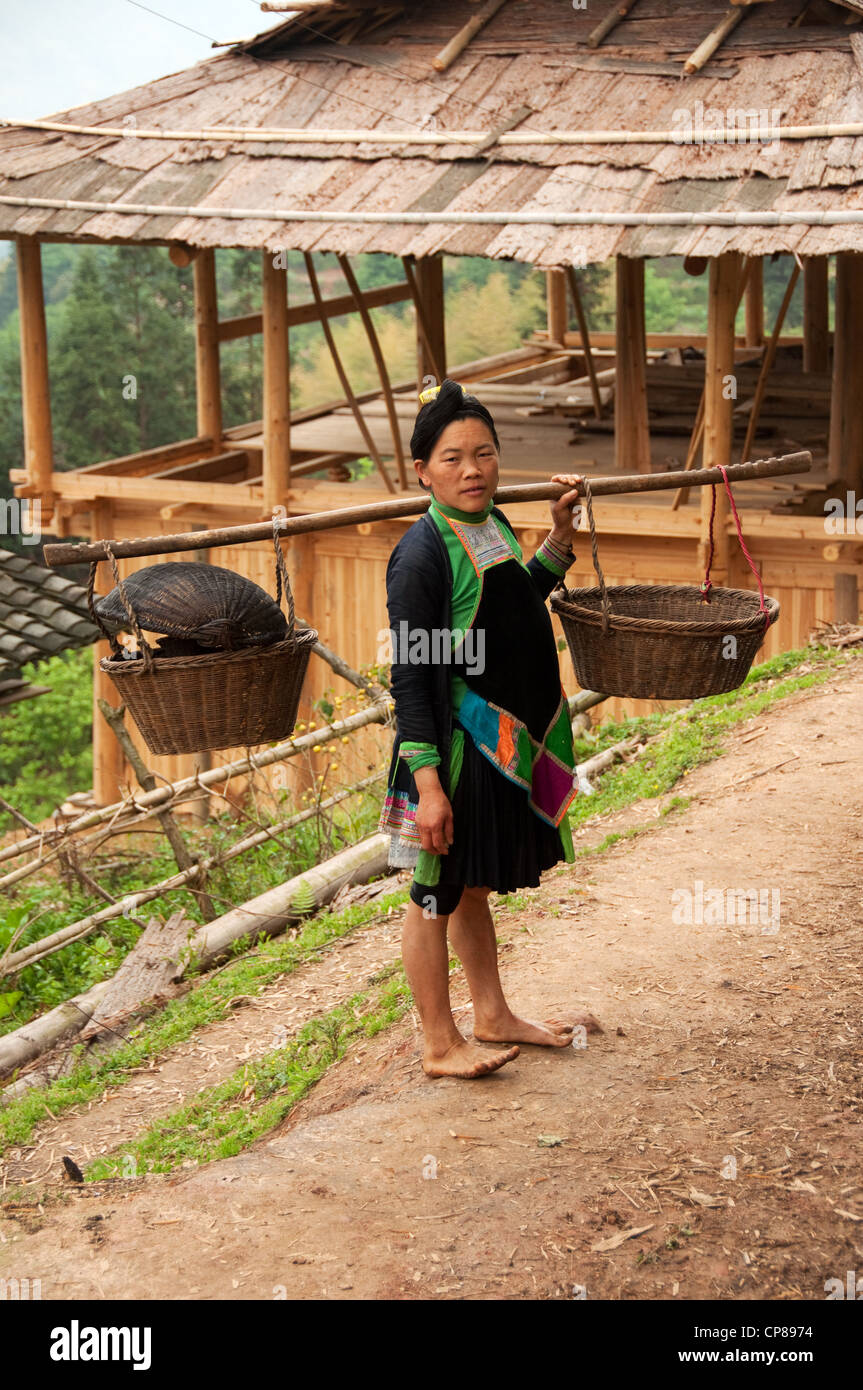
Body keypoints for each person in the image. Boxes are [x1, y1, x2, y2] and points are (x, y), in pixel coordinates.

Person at [378, 378, 598, 1079]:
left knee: (468, 886)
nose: (471, 470)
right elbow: (412, 674)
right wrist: (428, 786)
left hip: (503, 741)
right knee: (434, 889)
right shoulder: (420, 556)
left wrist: (558, 540)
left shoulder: (491, 524)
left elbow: (512, 602)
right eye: (451, 458)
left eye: (483, 453)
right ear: (421, 470)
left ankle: (492, 1014)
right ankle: (439, 1044)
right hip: (453, 750)